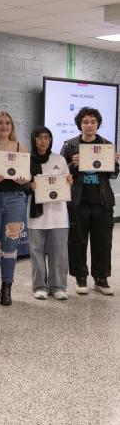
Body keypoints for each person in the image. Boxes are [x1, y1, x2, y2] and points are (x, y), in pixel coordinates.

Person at [60, 107, 119, 295]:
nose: (89, 125)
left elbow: (114, 175)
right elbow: (61, 173)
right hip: (78, 201)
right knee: (77, 241)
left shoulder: (107, 145)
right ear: (80, 125)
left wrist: (115, 164)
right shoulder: (69, 146)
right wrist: (72, 165)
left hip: (102, 202)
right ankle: (81, 278)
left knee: (103, 241)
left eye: (93, 122)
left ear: (98, 124)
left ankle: (102, 279)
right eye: (85, 122)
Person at [0, 111, 29, 306]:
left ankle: (6, 287)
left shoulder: (20, 147)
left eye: (7, 123)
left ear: (12, 127)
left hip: (15, 200)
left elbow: (27, 177)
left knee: (10, 247)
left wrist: (23, 180)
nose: (4, 126)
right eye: (0, 123)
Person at [28, 127, 72, 300]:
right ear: (33, 140)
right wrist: (29, 186)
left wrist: (69, 181)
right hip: (36, 215)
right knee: (36, 252)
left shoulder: (59, 159)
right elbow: (22, 184)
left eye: (47, 138)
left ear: (51, 140)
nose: (43, 141)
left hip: (58, 215)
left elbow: (66, 184)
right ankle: (39, 286)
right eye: (39, 138)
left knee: (59, 252)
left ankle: (58, 286)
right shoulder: (28, 160)